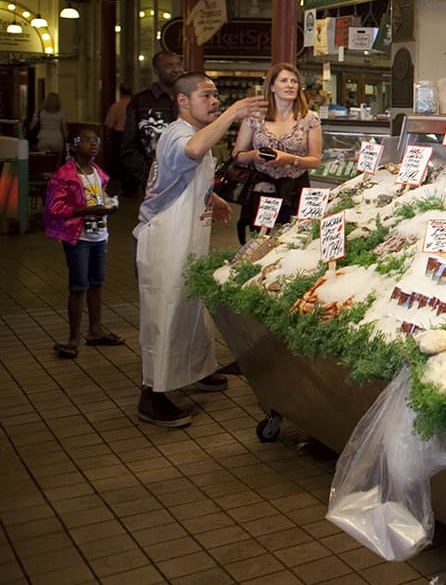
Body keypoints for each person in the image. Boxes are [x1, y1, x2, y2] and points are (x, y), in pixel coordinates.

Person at [134, 73, 265, 428]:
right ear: (182, 101)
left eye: (217, 96)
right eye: (206, 95)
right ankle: (153, 393)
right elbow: (192, 152)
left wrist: (213, 197)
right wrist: (234, 113)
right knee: (166, 313)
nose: (214, 101)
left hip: (190, 236)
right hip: (165, 239)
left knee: (191, 308)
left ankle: (195, 371)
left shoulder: (197, 134)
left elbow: (185, 176)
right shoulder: (179, 133)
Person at [43, 128, 122, 359]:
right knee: (78, 286)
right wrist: (86, 210)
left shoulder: (98, 172)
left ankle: (95, 330)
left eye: (95, 140)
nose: (93, 144)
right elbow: (54, 209)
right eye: (86, 140)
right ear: (74, 146)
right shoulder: (65, 175)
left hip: (99, 236)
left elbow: (101, 196)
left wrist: (109, 205)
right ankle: (73, 338)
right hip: (78, 238)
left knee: (97, 283)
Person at [232, 63, 322, 244]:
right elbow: (237, 155)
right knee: (260, 243)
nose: (290, 85)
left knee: (296, 242)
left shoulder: (310, 118)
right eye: (284, 80)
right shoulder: (254, 117)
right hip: (262, 190)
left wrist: (290, 159)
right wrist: (254, 155)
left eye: (294, 81)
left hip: (296, 190)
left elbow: (315, 161)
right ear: (272, 86)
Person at [121, 51, 183, 194]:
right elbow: (129, 147)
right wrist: (148, 177)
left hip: (188, 177)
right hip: (155, 183)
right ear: (156, 71)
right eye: (169, 66)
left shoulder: (190, 98)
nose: (176, 69)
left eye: (179, 64)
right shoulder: (141, 102)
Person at [103, 84, 131, 189]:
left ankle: (119, 180)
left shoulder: (116, 106)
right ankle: (131, 183)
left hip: (119, 134)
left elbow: (109, 124)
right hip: (132, 134)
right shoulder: (134, 106)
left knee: (120, 158)